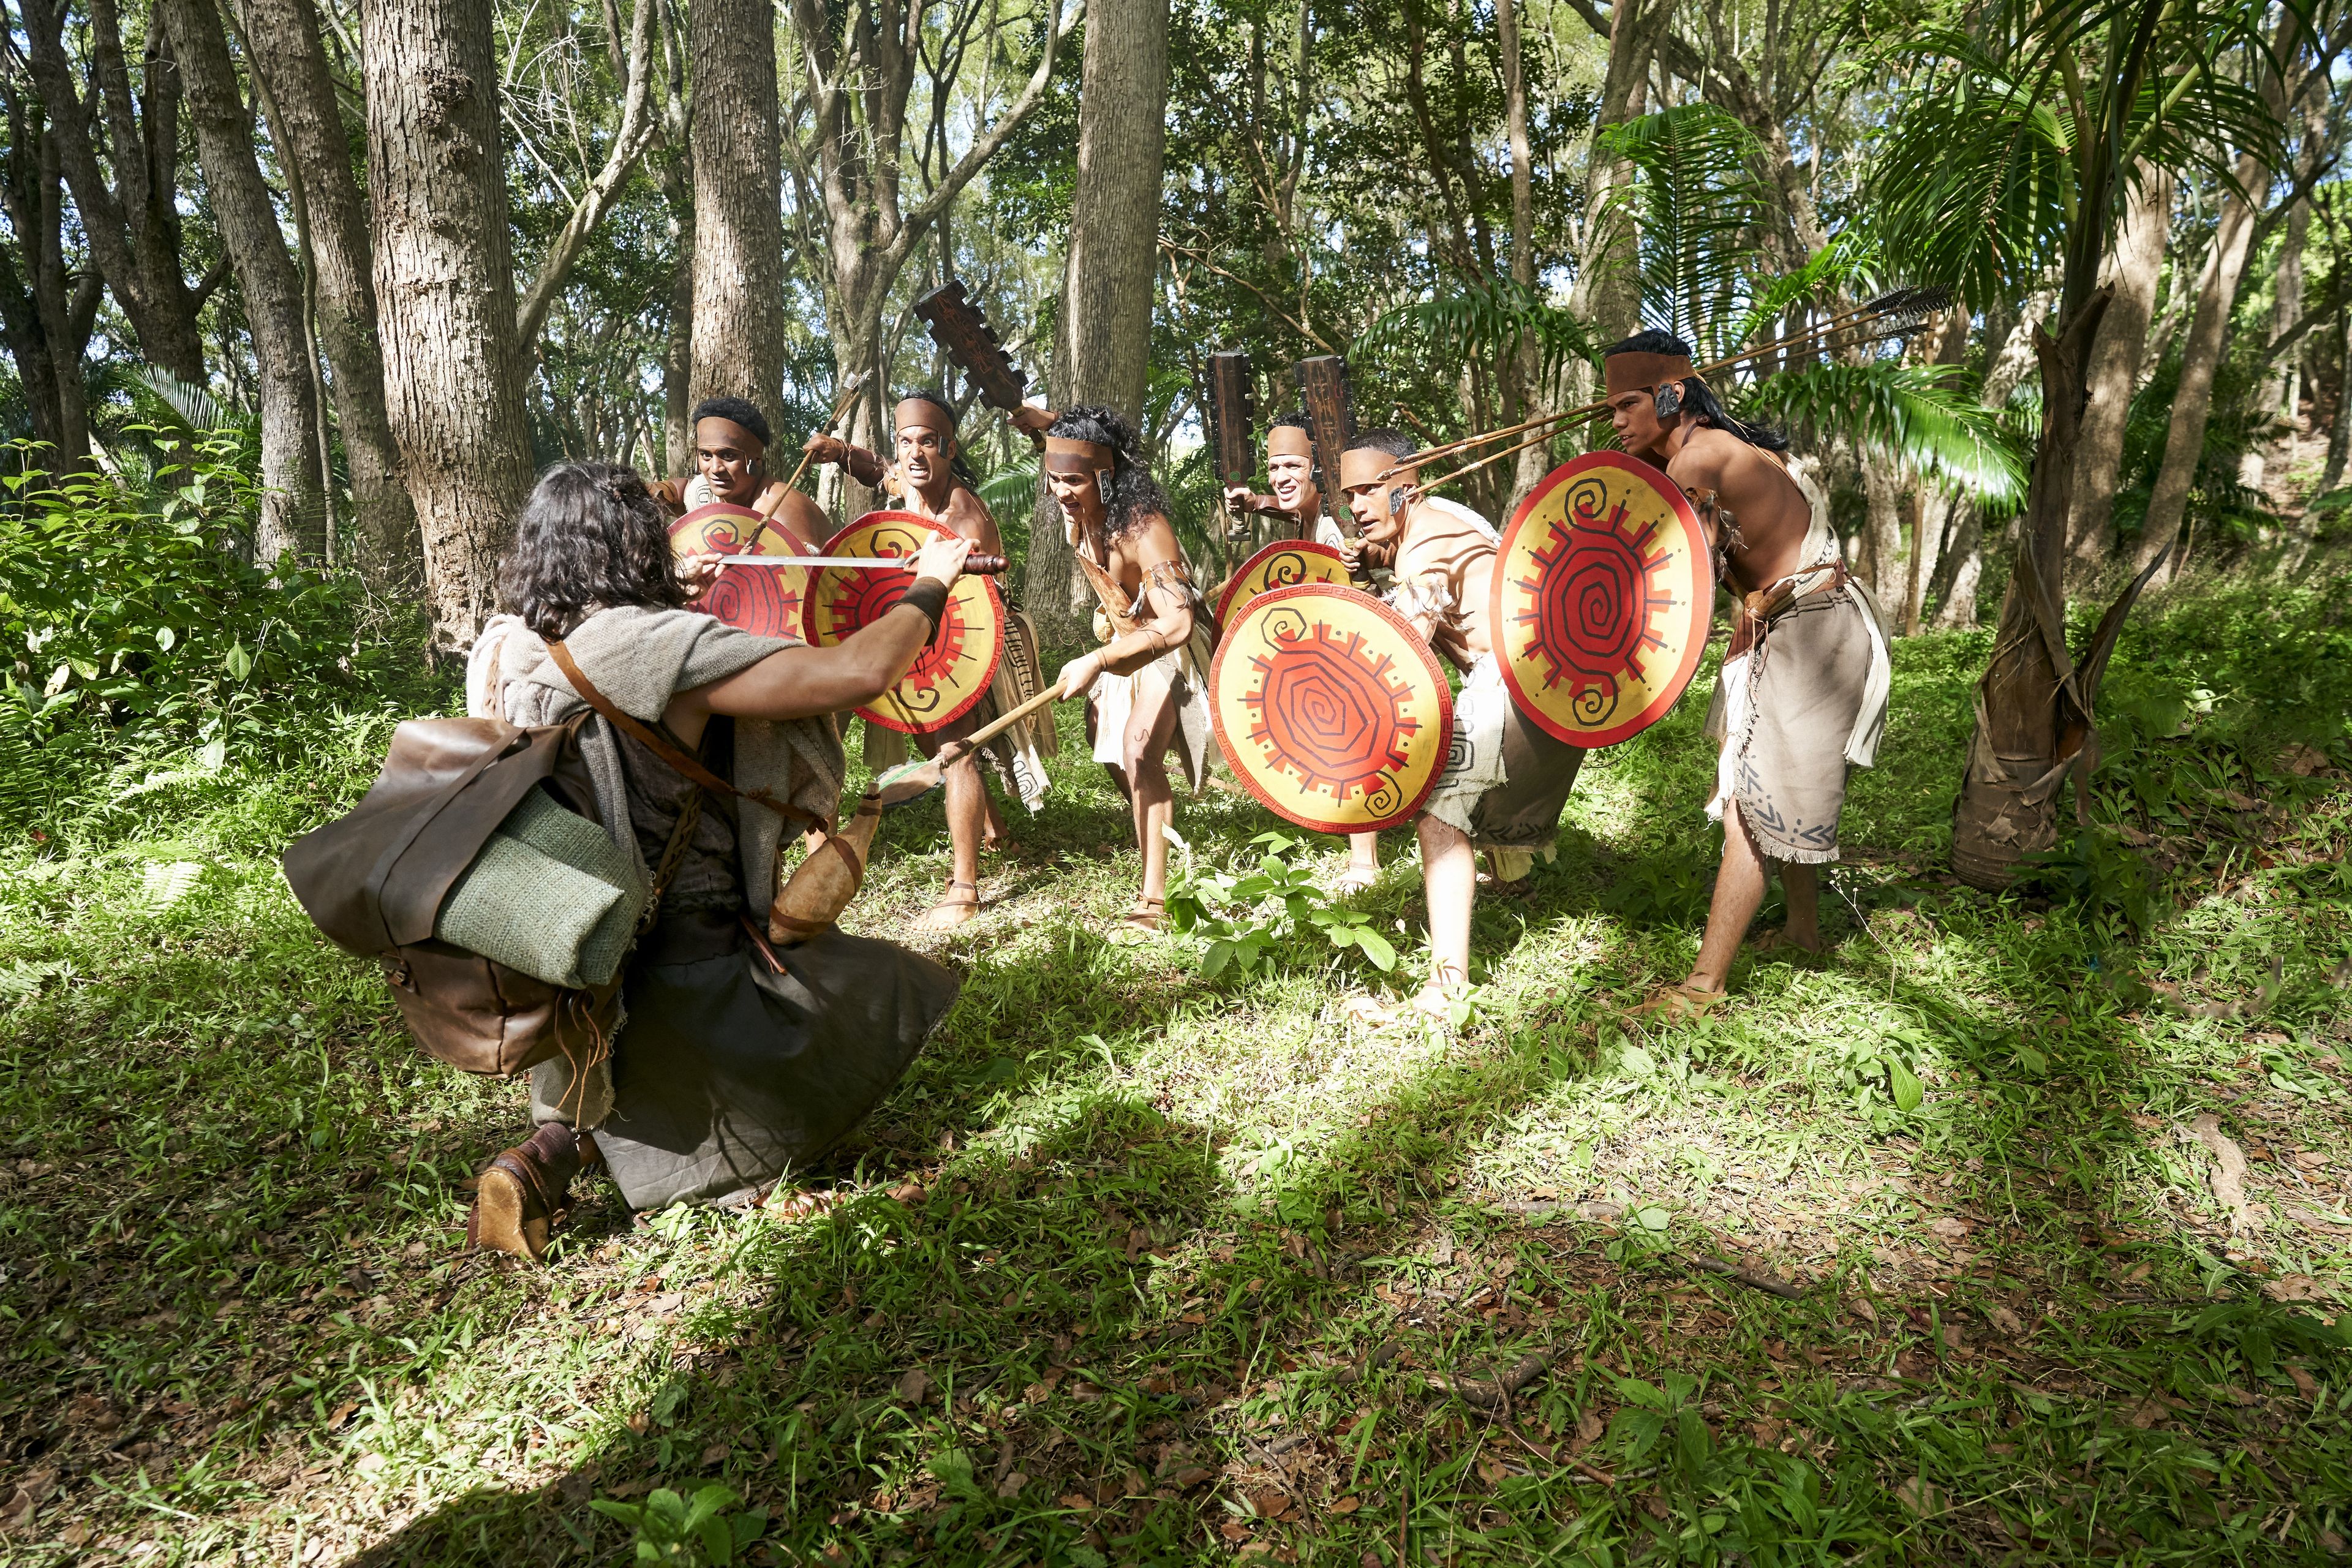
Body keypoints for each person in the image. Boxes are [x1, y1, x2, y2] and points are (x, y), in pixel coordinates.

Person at [459, 461, 973, 1259]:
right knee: (887, 991)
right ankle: (737, 1174)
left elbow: (619, 671)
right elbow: (856, 672)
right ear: (636, 546)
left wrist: (668, 608)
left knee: (595, 1078)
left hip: (568, 952)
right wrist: (931, 586)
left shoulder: (509, 648)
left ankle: (539, 1158)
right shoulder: (659, 646)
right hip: (684, 952)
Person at [1599, 331, 1892, 1022]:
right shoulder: (1739, 447)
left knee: (1750, 809)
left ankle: (1704, 986)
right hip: (1811, 624)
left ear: (1671, 395)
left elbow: (1684, 574)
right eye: (1610, 408)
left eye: (1627, 404)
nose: (1616, 422)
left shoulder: (1697, 459)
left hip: (1811, 633)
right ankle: (1804, 931)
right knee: (1773, 785)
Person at [1338, 429, 1588, 1020]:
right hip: (1556, 682)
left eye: (1371, 490)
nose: (1357, 507)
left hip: (1516, 678)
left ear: (1408, 484)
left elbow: (1403, 654)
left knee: (1439, 811)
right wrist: (1372, 557)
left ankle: (1446, 985)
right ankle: (1512, 882)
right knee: (1465, 777)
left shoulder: (1426, 545)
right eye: (1350, 495)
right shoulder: (1444, 517)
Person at [802, 391, 1054, 929]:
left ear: (949, 448)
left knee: (952, 748)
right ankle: (995, 830)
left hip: (973, 639)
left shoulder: (961, 515)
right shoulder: (910, 481)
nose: (915, 455)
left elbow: (967, 594)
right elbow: (882, 472)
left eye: (928, 443)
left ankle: (965, 887)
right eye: (907, 442)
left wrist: (936, 570)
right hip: (925, 629)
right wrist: (838, 450)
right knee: (928, 739)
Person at [1044, 405, 1216, 932]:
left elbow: (1178, 624)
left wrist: (1097, 660)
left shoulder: (1144, 531)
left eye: (1073, 481)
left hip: (1171, 648)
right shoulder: (1081, 513)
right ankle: (1153, 826)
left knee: (1139, 750)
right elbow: (1052, 436)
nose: (1061, 493)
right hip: (1126, 642)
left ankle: (1156, 902)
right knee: (1110, 747)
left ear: (1105, 475)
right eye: (1053, 480)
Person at [1224, 412, 1382, 893]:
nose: (1281, 478)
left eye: (1293, 466)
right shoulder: (1312, 511)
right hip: (1336, 636)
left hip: (1371, 638)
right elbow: (1293, 506)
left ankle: (1365, 864)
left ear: (1317, 466)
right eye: (1274, 468)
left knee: (1354, 731)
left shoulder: (1338, 521)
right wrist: (1255, 502)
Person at [656, 396, 831, 552]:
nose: (715, 468)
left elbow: (800, 581)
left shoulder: (782, 512)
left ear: (755, 460)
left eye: (728, 456)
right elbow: (681, 490)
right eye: (706, 455)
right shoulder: (705, 492)